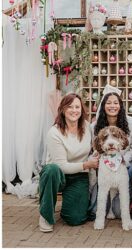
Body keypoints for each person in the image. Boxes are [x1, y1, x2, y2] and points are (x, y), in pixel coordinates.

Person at [39, 93, 98, 232]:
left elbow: (94, 148)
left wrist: (96, 155)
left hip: (78, 176)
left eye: (77, 107)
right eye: (70, 106)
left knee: (75, 219)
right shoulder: (54, 132)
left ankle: (69, 207)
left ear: (81, 110)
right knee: (51, 169)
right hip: (57, 175)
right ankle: (46, 214)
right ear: (63, 110)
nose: (74, 110)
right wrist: (87, 165)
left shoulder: (87, 127)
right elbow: (62, 166)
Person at [89, 92, 132, 219]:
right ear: (103, 106)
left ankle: (130, 197)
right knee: (95, 210)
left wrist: (124, 159)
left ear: (121, 105)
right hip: (104, 167)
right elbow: (93, 148)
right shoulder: (94, 126)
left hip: (125, 167)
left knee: (118, 212)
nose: (112, 106)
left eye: (116, 103)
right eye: (108, 103)